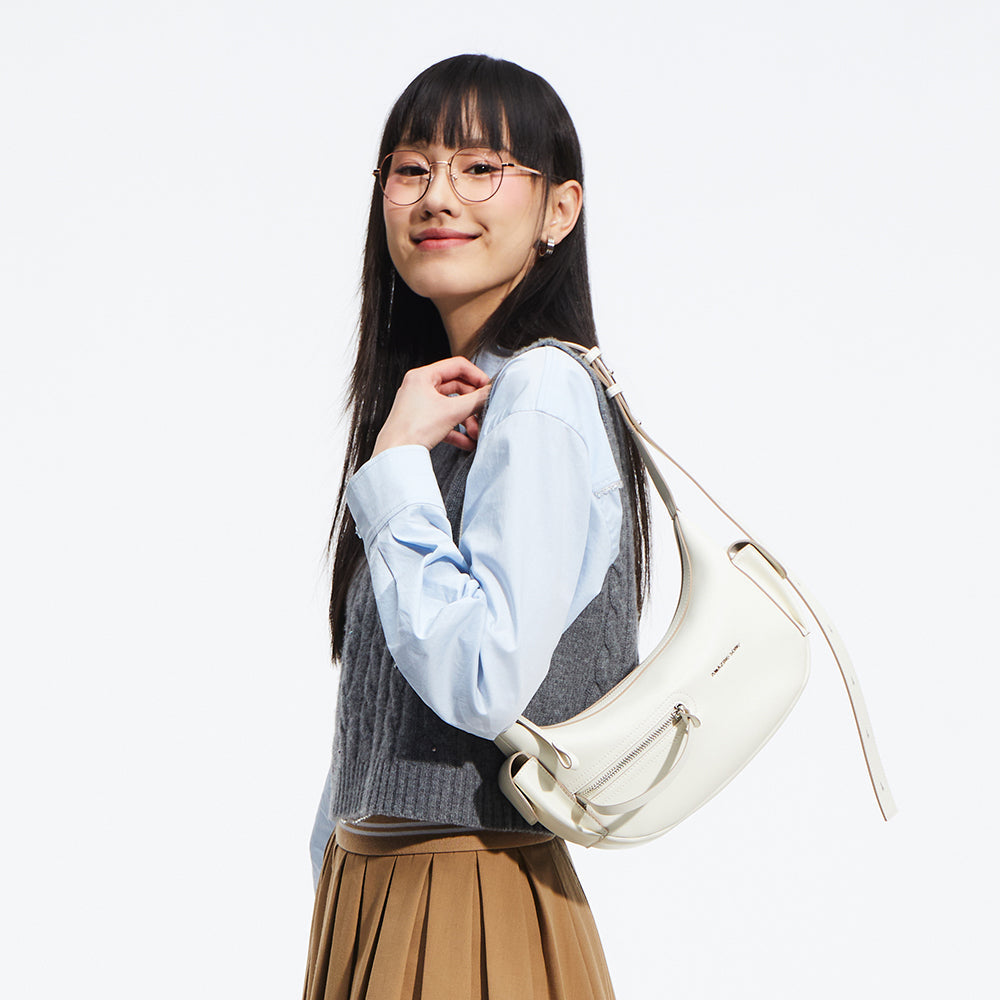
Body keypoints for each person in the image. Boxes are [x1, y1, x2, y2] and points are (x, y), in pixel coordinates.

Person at [301, 54, 652, 1000]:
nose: (436, 196)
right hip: (374, 887)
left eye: (481, 167)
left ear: (559, 210)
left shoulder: (538, 391)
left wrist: (393, 477)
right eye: (410, 168)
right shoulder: (446, 399)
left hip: (465, 895)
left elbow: (485, 677)